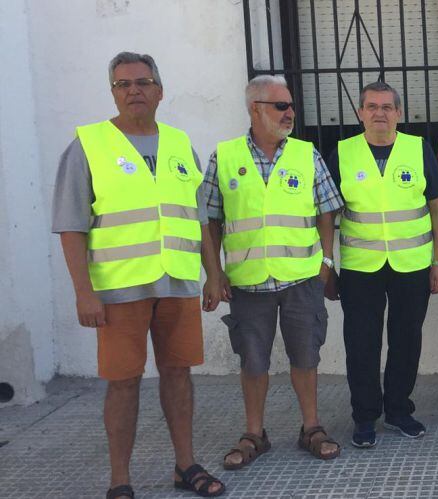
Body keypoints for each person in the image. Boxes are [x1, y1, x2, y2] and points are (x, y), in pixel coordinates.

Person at [52, 52, 224, 498]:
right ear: (112, 92)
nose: (134, 90)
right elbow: (71, 225)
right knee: (124, 381)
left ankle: (185, 466)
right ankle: (119, 481)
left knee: (178, 374)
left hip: (178, 284)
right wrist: (83, 293)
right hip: (118, 291)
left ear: (159, 91)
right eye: (123, 84)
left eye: (143, 82)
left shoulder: (180, 144)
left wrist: (212, 274)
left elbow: (200, 217)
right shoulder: (88, 145)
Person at [201, 75, 343, 469]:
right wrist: (214, 274)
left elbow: (327, 209)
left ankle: (311, 427)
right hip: (247, 283)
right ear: (255, 109)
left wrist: (326, 262)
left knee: (306, 356)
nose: (290, 113)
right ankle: (254, 434)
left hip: (301, 279)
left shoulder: (305, 153)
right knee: (253, 360)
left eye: (290, 106)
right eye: (281, 106)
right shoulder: (224, 156)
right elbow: (208, 219)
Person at [337, 81, 438, 447]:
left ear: (399, 113)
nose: (380, 113)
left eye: (387, 107)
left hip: (412, 264)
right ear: (360, 112)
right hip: (360, 266)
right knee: (361, 343)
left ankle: (399, 410)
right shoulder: (341, 152)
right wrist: (325, 262)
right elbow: (326, 213)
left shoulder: (419, 149)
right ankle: (365, 417)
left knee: (406, 340)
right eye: (372, 106)